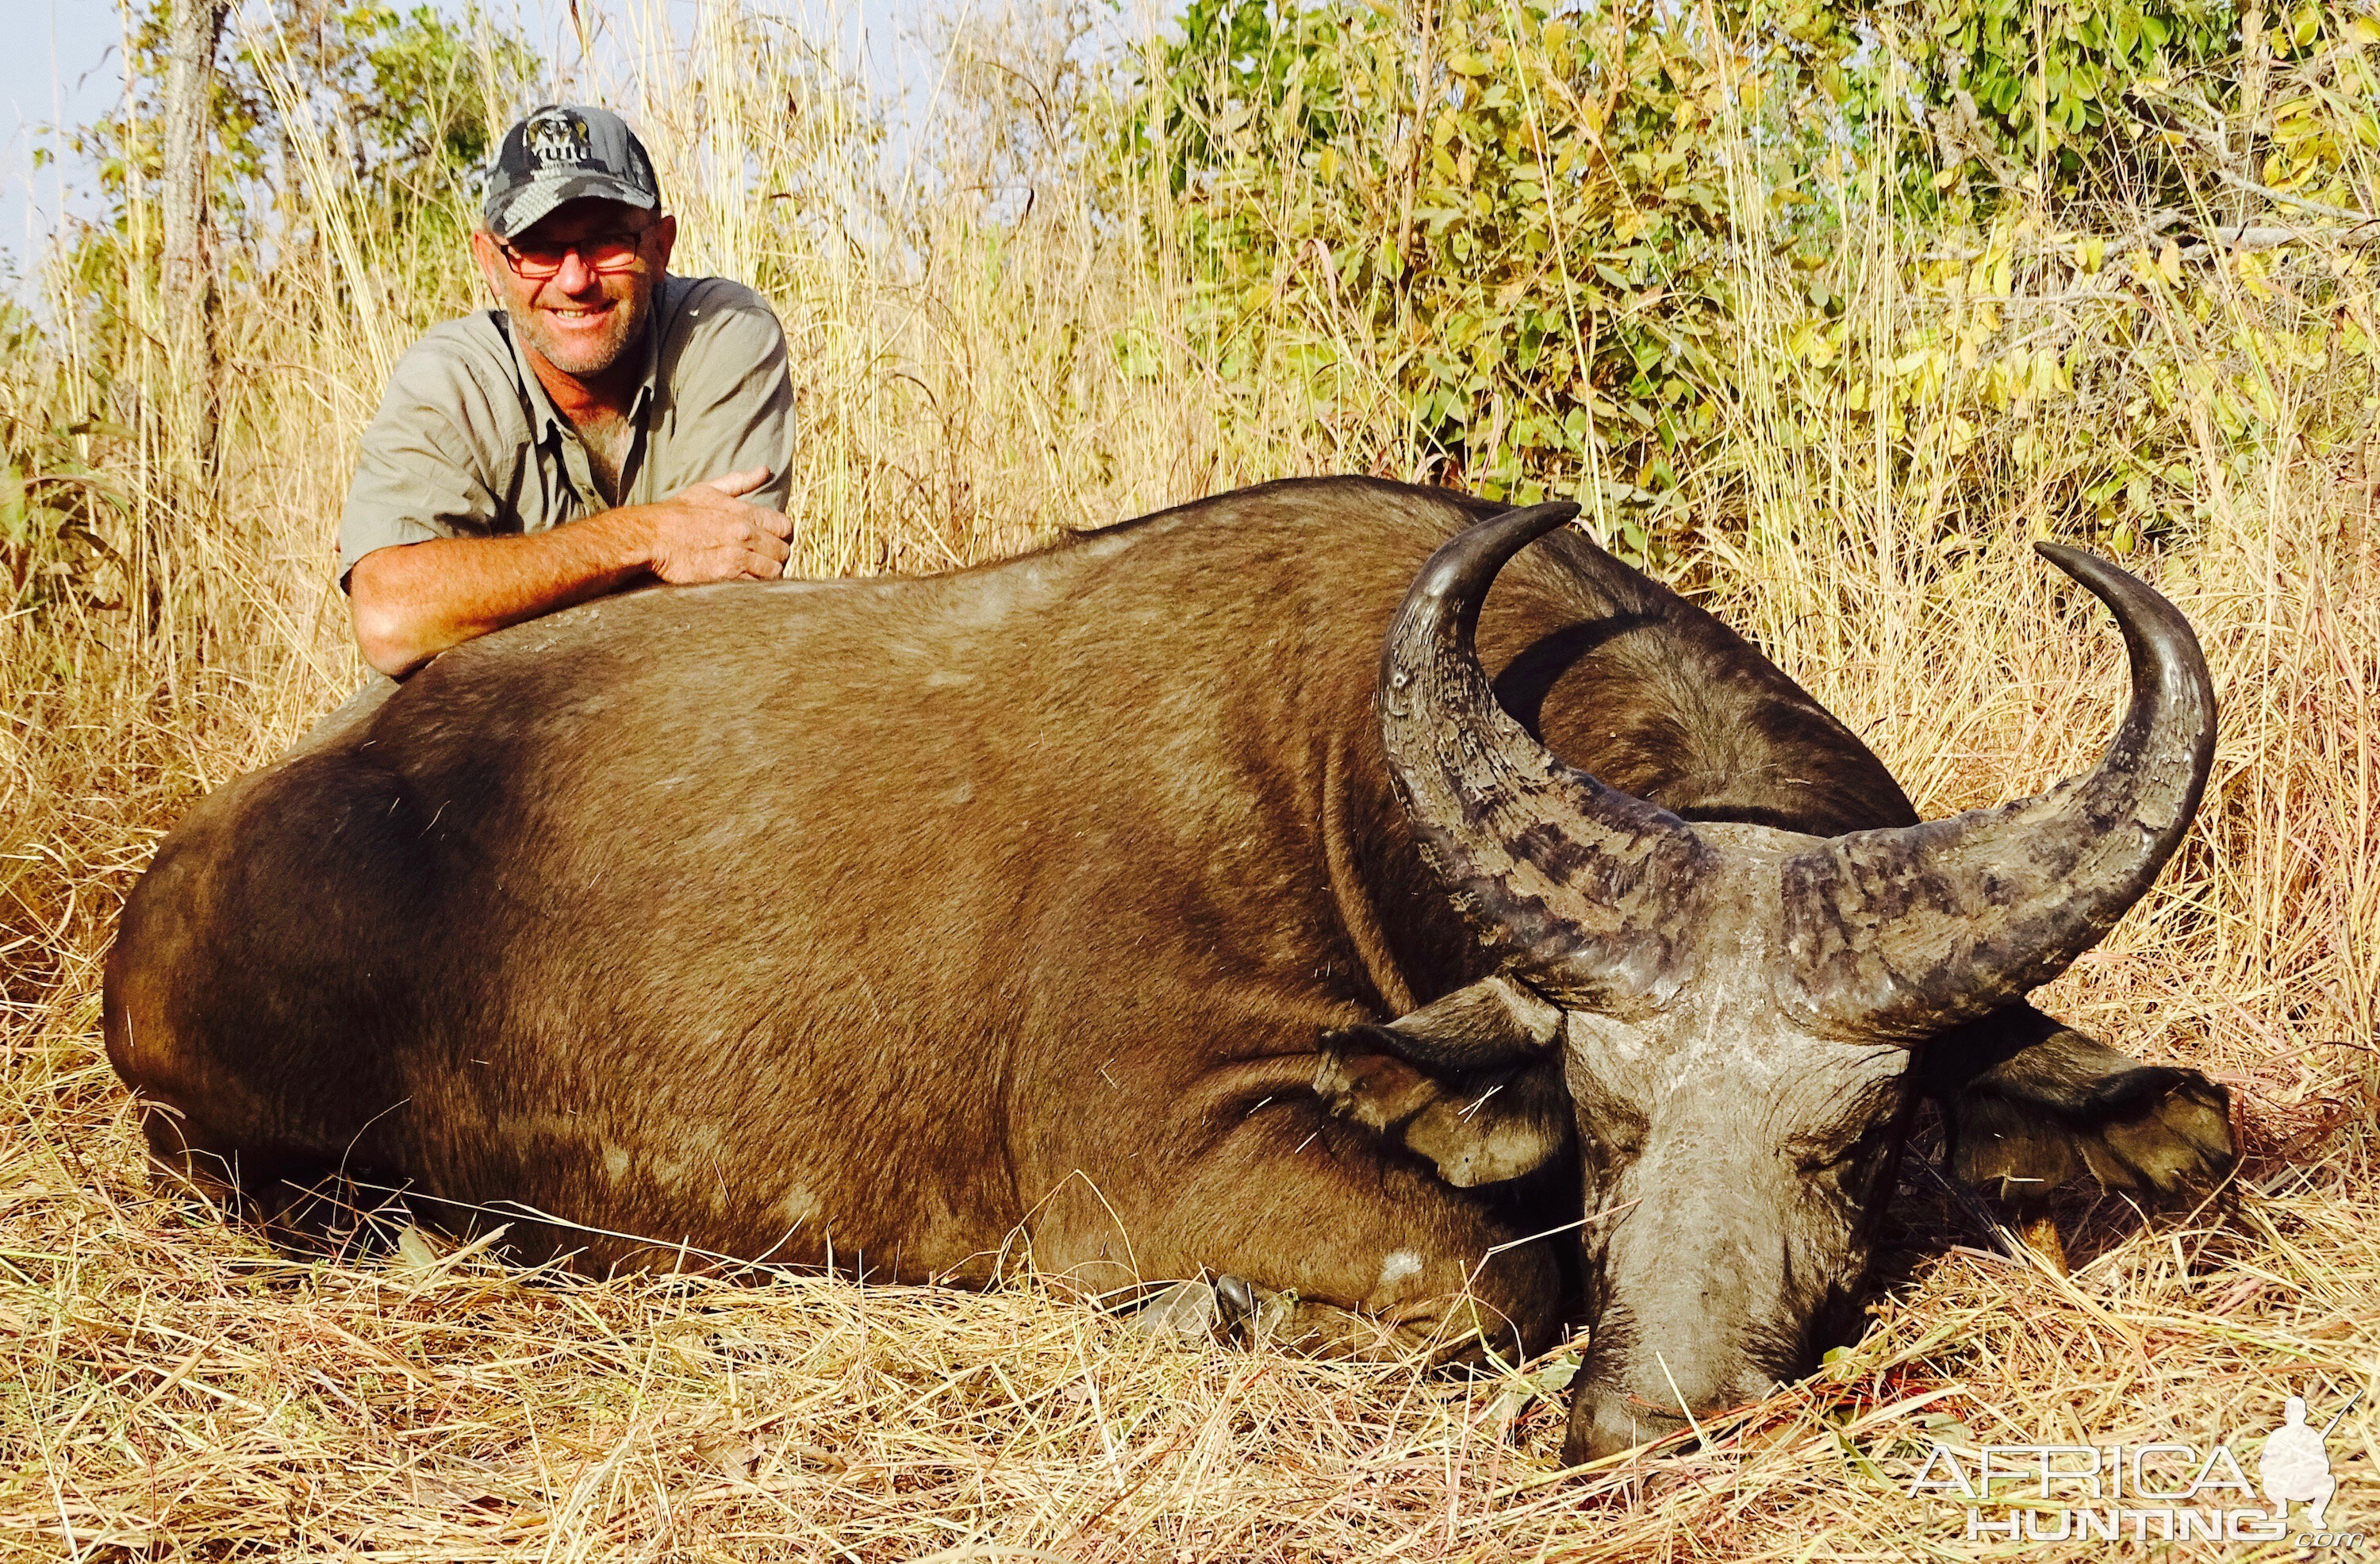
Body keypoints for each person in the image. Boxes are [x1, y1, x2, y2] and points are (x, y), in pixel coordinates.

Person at [340, 104, 797, 678]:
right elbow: (389, 616)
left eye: (608, 241)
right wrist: (649, 535)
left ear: (660, 247)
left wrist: (484, 593)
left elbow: (714, 617)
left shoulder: (723, 331)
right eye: (539, 248)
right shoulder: (451, 378)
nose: (576, 279)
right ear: (491, 262)